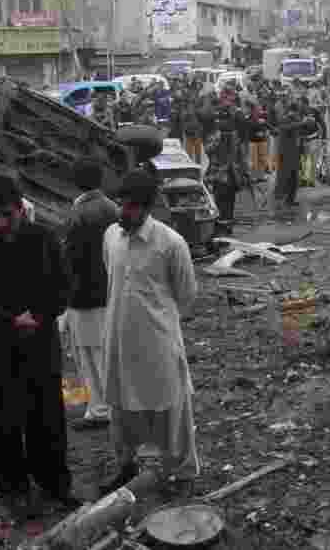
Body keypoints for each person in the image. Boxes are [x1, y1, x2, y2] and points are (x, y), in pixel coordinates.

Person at [0, 175, 76, 508]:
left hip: (39, 343)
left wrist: (40, 315)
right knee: (2, 424)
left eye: (6, 214)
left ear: (21, 209)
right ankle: (13, 489)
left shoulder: (43, 238)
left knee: (47, 419)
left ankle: (54, 484)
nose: (0, 222)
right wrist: (9, 320)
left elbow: (62, 287)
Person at [101, 170, 199, 495]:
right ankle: (127, 467)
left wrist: (154, 319)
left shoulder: (171, 243)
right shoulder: (111, 237)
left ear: (146, 208)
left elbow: (186, 295)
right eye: (120, 204)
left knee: (172, 409)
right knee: (121, 407)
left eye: (129, 207)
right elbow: (111, 278)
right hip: (117, 338)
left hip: (158, 342)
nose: (122, 213)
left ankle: (183, 473)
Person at [63, 158, 120, 430]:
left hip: (83, 294)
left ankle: (98, 409)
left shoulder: (78, 213)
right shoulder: (113, 209)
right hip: (110, 291)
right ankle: (110, 406)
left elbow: (71, 258)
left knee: (86, 355)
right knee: (105, 352)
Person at [205, 116, 249, 234]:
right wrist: (244, 173)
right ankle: (225, 226)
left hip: (225, 176)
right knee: (226, 202)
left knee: (223, 202)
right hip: (227, 176)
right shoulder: (228, 139)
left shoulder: (220, 139)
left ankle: (224, 226)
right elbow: (241, 159)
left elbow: (208, 152)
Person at [272, 101, 315, 209]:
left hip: (295, 153)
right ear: (292, 111)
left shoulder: (296, 119)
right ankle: (279, 201)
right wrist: (302, 123)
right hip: (285, 154)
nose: (297, 115)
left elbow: (306, 129)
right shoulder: (285, 119)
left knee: (294, 179)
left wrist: (310, 122)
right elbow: (286, 127)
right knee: (283, 178)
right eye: (296, 113)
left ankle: (290, 200)